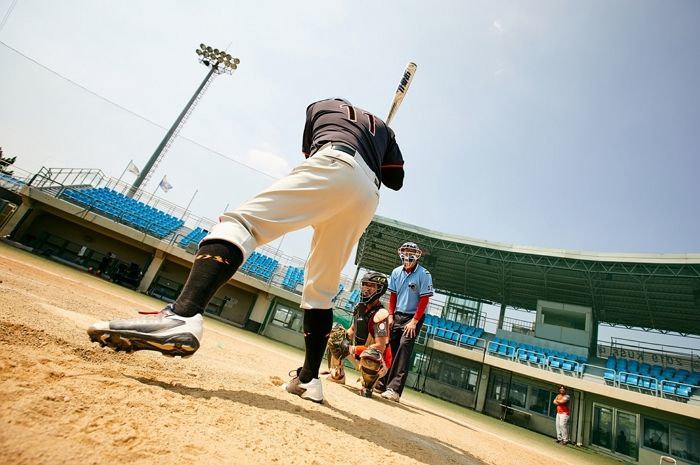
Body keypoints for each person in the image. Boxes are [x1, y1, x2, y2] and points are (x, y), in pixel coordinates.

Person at [87, 97, 405, 404]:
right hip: (366, 196)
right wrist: (382, 143)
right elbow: (396, 179)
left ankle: (183, 315)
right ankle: (309, 379)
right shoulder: (383, 129)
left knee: (241, 224)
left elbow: (310, 153)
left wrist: (322, 198)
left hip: (334, 161)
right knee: (319, 290)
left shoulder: (320, 106)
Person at [380, 241, 433, 402]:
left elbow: (424, 299)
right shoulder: (396, 272)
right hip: (396, 315)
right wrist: (390, 315)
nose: (408, 255)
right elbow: (393, 295)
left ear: (417, 255)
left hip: (413, 318)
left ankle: (394, 390)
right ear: (401, 252)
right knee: (390, 346)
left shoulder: (424, 274)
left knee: (404, 347)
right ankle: (381, 382)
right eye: (406, 251)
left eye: (412, 251)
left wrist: (414, 322)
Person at [326, 271, 392, 397]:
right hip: (359, 353)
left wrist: (353, 349)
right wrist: (336, 341)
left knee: (372, 353)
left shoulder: (381, 315)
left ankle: (368, 385)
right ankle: (337, 374)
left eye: (371, 285)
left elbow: (380, 347)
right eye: (365, 284)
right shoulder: (360, 308)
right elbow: (350, 331)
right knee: (336, 335)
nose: (366, 288)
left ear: (380, 289)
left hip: (379, 361)